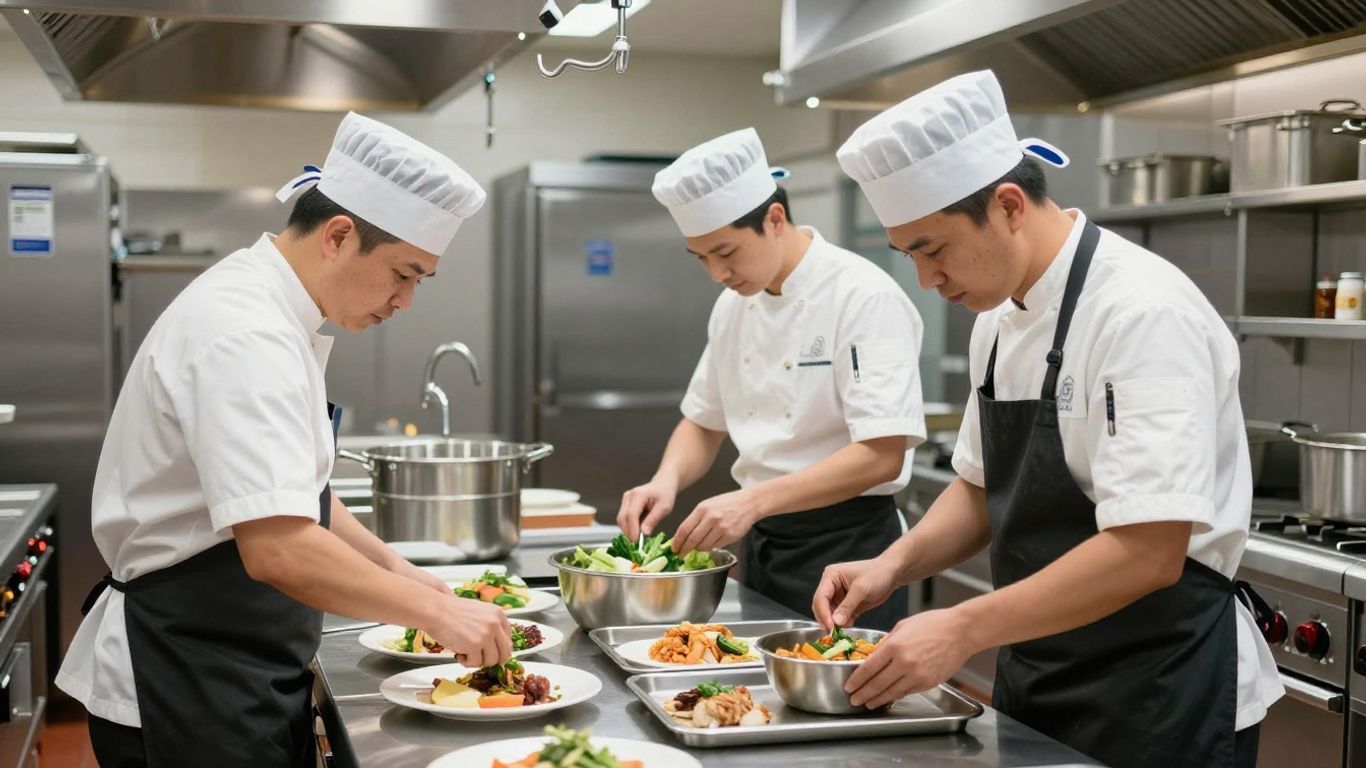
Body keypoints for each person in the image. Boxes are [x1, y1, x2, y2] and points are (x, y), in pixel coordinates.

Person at [814, 70, 1283, 768]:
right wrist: (891, 564)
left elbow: (1149, 550)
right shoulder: (999, 320)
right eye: (908, 254)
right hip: (1042, 673)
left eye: (933, 248)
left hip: (1159, 692)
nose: (927, 280)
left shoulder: (1141, 312)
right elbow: (978, 488)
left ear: (1008, 205)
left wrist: (964, 626)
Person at [55, 112, 512, 768]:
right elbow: (278, 549)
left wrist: (400, 572)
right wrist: (435, 615)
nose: (405, 300)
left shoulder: (274, 314)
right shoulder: (246, 332)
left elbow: (296, 493)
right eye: (404, 274)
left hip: (230, 668)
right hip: (185, 679)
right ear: (338, 235)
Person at [617, 127, 927, 630]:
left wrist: (752, 500)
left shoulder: (864, 297)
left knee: (850, 700)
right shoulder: (732, 306)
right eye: (702, 259)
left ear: (775, 219)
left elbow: (882, 452)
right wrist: (665, 481)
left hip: (850, 548)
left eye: (727, 252)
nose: (717, 274)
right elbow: (703, 421)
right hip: (762, 541)